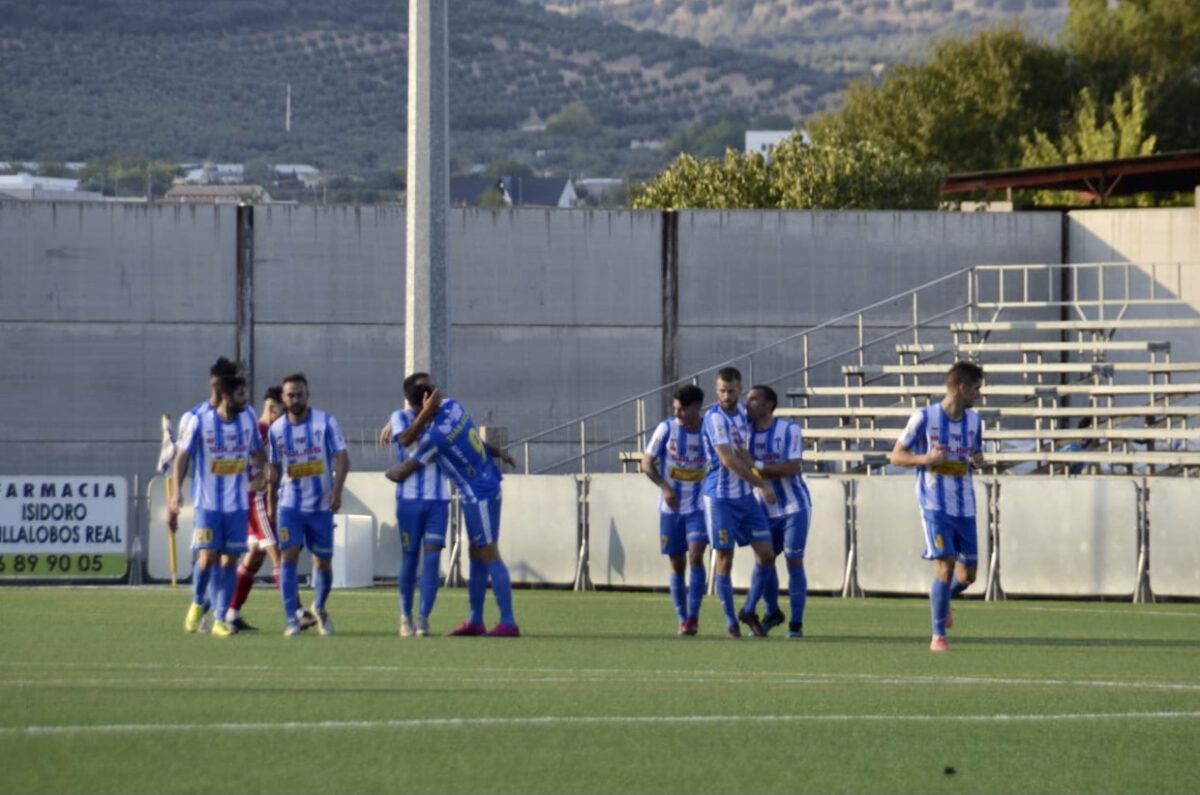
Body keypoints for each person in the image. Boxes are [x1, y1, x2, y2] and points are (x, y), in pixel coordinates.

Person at [386, 382, 519, 637]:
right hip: (486, 484)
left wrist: (389, 471)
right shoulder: (454, 405)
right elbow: (473, 440)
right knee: (476, 552)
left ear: (421, 405)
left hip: (478, 494)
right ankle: (475, 619)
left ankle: (508, 622)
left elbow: (403, 469)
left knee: (490, 553)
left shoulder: (434, 438)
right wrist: (499, 452)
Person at [889, 361, 985, 653]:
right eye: (977, 389)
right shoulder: (924, 417)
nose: (979, 395)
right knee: (944, 567)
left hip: (965, 504)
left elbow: (975, 453)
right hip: (934, 504)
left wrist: (978, 460)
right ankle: (938, 636)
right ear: (961, 387)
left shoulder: (975, 421)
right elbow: (896, 456)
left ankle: (943, 601)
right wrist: (925, 460)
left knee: (968, 576)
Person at [171, 374, 265, 637]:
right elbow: (181, 457)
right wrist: (175, 492)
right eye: (240, 395)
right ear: (226, 396)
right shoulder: (200, 420)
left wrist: (263, 470)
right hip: (208, 504)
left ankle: (220, 619)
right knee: (207, 557)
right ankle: (198, 603)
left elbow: (258, 451)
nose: (245, 399)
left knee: (229, 561)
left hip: (237, 505)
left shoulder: (248, 417)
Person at [225, 386, 316, 632]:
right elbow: (237, 460)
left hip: (262, 499)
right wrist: (250, 484)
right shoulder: (259, 431)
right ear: (273, 408)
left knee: (254, 557)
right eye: (283, 411)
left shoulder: (269, 431)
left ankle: (230, 614)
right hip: (258, 500)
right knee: (280, 555)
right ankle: (297, 611)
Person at [267, 373, 350, 637]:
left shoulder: (325, 422)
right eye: (290, 395)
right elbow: (273, 466)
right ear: (283, 397)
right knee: (288, 556)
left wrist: (337, 491)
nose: (295, 399)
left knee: (322, 562)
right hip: (290, 505)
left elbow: (342, 457)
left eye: (300, 394)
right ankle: (292, 619)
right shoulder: (276, 430)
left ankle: (320, 608)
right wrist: (270, 499)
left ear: (307, 394)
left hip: (320, 506)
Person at [699, 367, 776, 639]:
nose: (726, 396)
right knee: (725, 558)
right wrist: (761, 484)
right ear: (716, 390)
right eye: (722, 390)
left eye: (731, 391)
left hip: (744, 498)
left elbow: (744, 451)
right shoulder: (715, 418)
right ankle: (731, 621)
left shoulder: (743, 414)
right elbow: (728, 459)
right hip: (720, 499)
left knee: (767, 554)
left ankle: (749, 609)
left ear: (740, 389)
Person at [386, 372, 452, 638]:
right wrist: (425, 414)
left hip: (438, 500)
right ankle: (405, 617)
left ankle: (424, 618)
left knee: (433, 559)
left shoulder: (445, 417)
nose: (433, 390)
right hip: (409, 501)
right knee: (410, 558)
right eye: (427, 388)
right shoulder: (400, 417)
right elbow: (405, 439)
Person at [640, 384, 709, 635]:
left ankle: (693, 617)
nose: (677, 414)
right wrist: (664, 486)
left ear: (696, 407)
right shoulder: (666, 428)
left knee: (696, 556)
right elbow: (646, 463)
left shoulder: (709, 430)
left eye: (682, 409)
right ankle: (682, 618)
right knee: (677, 562)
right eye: (675, 409)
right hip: (671, 508)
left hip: (700, 506)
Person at [744, 384, 812, 639]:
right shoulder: (745, 433)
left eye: (753, 399)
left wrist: (757, 465)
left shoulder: (789, 429)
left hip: (794, 507)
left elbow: (793, 467)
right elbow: (740, 463)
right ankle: (771, 612)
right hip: (762, 509)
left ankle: (796, 623)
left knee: (794, 561)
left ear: (768, 405)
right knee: (764, 561)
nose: (747, 403)